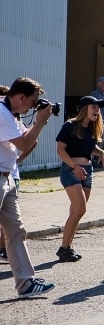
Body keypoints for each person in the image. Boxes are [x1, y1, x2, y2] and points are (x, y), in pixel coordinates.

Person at [0, 77, 56, 297]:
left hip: (7, 178)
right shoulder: (2, 113)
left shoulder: (13, 114)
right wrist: (40, 121)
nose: (34, 107)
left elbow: (27, 139)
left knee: (15, 230)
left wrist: (36, 123)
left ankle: (25, 284)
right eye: (33, 102)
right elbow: (24, 143)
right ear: (21, 97)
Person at [55, 96, 104, 262]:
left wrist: (102, 153)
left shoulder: (91, 129)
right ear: (84, 109)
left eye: (98, 108)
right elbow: (60, 150)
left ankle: (68, 248)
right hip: (71, 170)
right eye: (93, 107)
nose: (97, 110)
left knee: (76, 211)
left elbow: (92, 148)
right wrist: (74, 167)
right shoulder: (70, 126)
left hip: (88, 171)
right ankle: (63, 248)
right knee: (80, 209)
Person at [90, 76, 104, 153]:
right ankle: (94, 160)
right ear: (98, 84)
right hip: (100, 122)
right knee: (99, 143)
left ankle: (101, 161)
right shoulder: (94, 95)